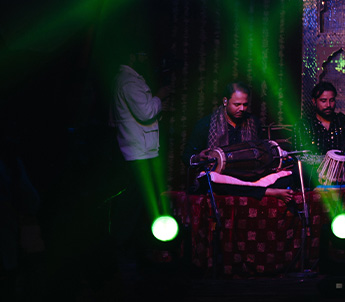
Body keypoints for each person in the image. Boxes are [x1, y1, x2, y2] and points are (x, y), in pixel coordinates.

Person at [183, 82, 294, 200]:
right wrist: (197, 158)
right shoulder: (206, 124)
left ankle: (254, 190)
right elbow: (186, 156)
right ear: (225, 101)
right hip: (221, 178)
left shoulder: (253, 122)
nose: (241, 109)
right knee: (209, 180)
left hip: (249, 176)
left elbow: (262, 152)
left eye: (245, 104)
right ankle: (265, 191)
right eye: (237, 104)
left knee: (291, 175)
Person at [110, 45, 171, 253]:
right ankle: (125, 245)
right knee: (135, 203)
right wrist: (160, 96)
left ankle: (129, 245)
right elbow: (145, 113)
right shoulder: (129, 81)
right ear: (132, 56)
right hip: (138, 152)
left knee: (136, 202)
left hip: (137, 149)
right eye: (141, 53)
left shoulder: (125, 79)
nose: (144, 57)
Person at [297, 81, 345, 156]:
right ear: (314, 102)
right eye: (323, 101)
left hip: (341, 167)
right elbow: (298, 155)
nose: (328, 105)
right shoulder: (304, 125)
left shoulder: (344, 122)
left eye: (331, 100)